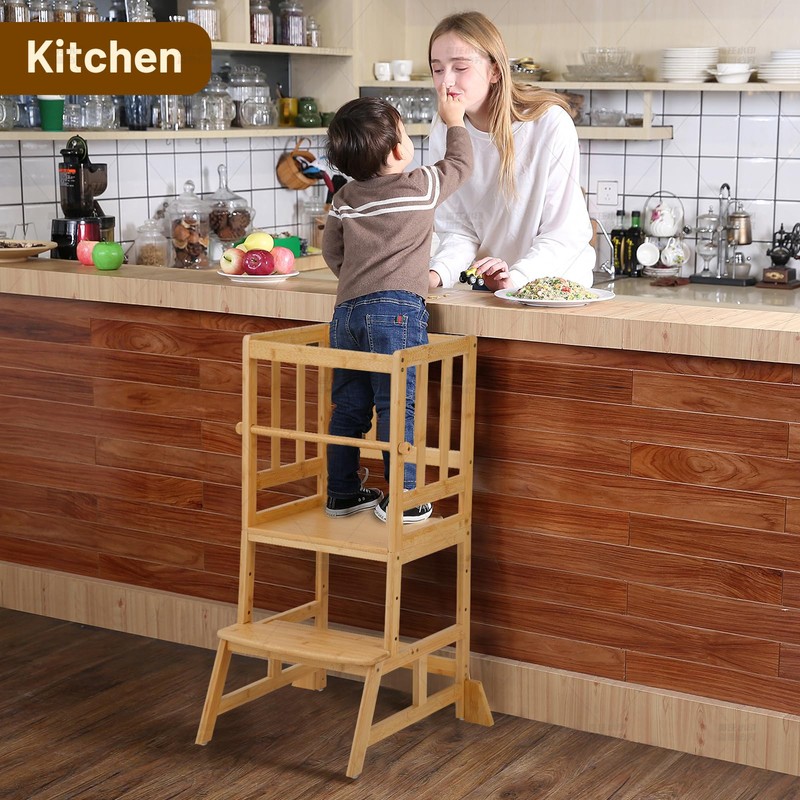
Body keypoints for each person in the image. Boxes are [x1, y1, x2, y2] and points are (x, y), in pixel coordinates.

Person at [322, 86, 473, 524]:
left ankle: (342, 493)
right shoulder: (420, 186)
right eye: (405, 134)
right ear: (396, 151)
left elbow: (332, 252)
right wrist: (454, 120)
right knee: (396, 405)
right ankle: (403, 496)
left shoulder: (343, 199)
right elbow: (461, 164)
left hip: (346, 314)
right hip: (396, 313)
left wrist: (358, 279)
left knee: (349, 408)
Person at [427, 11, 596, 292]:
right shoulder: (445, 129)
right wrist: (437, 273)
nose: (446, 82)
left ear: (494, 71)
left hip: (554, 286)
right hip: (494, 286)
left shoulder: (548, 123)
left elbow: (563, 233)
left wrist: (515, 278)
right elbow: (457, 229)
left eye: (460, 67)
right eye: (438, 69)